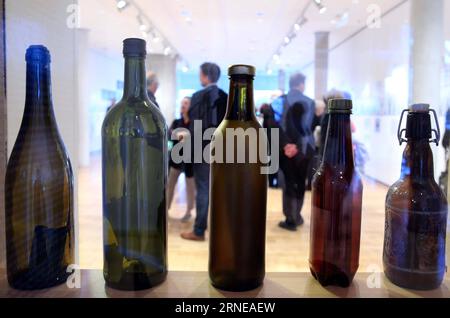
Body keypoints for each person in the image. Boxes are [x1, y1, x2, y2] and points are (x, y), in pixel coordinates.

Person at [181, 62, 228, 241]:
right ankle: (222, 229)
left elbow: (195, 128)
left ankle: (199, 230)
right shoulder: (225, 97)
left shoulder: (198, 96)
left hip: (202, 150)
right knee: (221, 190)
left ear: (205, 76)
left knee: (203, 189)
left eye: (200, 74)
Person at [267, 72, 315, 231]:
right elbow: (309, 128)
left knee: (288, 182)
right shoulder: (310, 102)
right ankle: (297, 215)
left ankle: (290, 218)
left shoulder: (280, 101)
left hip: (285, 150)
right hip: (304, 149)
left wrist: (286, 144)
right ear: (301, 84)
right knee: (300, 182)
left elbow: (274, 124)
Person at [167, 97, 195, 222]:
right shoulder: (176, 122)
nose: (183, 105)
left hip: (190, 161)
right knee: (170, 186)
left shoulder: (194, 123)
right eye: (182, 103)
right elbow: (169, 141)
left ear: (191, 106)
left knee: (190, 188)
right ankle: (165, 210)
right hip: (175, 160)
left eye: (186, 103)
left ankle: (188, 212)